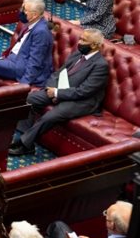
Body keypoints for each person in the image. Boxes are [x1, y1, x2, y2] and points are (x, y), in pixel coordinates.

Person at [9, 29, 109, 157]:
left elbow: (84, 91)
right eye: (80, 38)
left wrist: (58, 94)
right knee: (29, 98)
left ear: (95, 45)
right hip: (61, 90)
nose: (79, 42)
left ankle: (25, 145)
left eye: (84, 40)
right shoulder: (77, 54)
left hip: (82, 101)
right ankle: (24, 134)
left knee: (50, 116)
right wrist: (52, 89)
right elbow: (58, 74)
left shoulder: (100, 65)